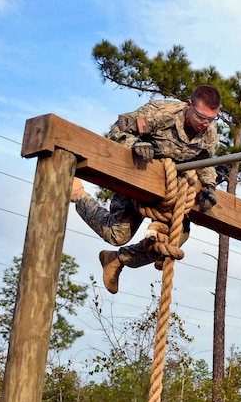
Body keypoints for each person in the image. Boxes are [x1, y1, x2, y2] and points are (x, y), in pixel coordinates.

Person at [70, 85, 223, 294]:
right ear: (189, 106)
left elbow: (205, 162)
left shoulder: (209, 133)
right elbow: (117, 130)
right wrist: (135, 144)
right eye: (200, 117)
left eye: (211, 119)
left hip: (170, 193)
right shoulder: (161, 113)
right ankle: (79, 195)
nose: (205, 124)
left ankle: (117, 260)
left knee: (175, 240)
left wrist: (209, 187)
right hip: (140, 178)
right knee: (117, 235)